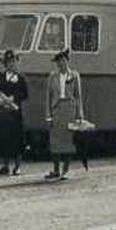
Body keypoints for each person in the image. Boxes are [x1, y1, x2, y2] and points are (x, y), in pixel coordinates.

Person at [44, 48, 84, 180]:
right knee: (55, 141)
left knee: (68, 141)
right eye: (58, 62)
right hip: (57, 110)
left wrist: (79, 115)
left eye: (63, 61)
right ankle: (55, 169)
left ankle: (65, 170)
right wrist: (48, 115)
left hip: (69, 110)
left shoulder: (75, 75)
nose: (61, 64)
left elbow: (78, 96)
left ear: (68, 61)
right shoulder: (52, 77)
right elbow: (48, 97)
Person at [0, 49, 28, 175]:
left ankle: (17, 166)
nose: (11, 65)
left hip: (15, 113)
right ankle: (5, 165)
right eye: (8, 62)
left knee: (17, 139)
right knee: (4, 138)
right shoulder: (0, 78)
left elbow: (24, 94)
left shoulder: (20, 78)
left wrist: (14, 98)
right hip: (4, 113)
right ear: (5, 64)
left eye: (13, 62)